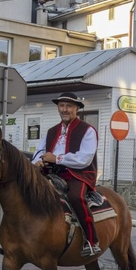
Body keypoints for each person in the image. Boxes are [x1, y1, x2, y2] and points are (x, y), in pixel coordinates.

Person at [31, 92, 100, 258]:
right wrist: (37, 161)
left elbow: (84, 158)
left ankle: (91, 241)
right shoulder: (51, 131)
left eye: (69, 106)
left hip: (78, 173)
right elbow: (40, 150)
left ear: (76, 108)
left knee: (76, 197)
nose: (65, 109)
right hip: (51, 171)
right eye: (62, 106)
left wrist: (57, 158)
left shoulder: (88, 130)